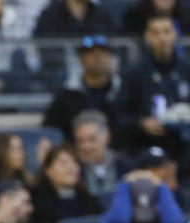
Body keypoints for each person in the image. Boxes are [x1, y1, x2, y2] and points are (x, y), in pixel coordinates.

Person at [117, 14, 190, 162]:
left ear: (175, 34)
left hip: (185, 147)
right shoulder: (134, 73)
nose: (162, 38)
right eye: (155, 33)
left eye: (166, 31)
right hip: (145, 148)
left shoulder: (187, 69)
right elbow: (119, 115)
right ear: (147, 36)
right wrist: (142, 123)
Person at [43, 35, 121, 141]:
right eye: (92, 54)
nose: (98, 58)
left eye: (102, 54)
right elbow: (50, 129)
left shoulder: (123, 91)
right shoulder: (66, 95)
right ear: (82, 60)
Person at [30, 143, 103, 223]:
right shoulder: (37, 204)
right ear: (48, 170)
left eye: (75, 162)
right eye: (63, 163)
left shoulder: (90, 202)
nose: (71, 167)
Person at [99, 167, 185, 223]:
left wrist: (161, 186)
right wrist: (125, 186)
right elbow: (119, 219)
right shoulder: (114, 217)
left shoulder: (162, 216)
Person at [73, 110, 132, 206]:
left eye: (92, 139)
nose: (85, 146)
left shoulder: (126, 166)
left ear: (107, 137)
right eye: (80, 141)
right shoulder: (73, 170)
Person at [33, 0, 115, 36]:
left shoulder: (102, 13)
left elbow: (115, 44)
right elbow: (47, 50)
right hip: (62, 68)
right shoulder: (50, 14)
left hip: (97, 67)